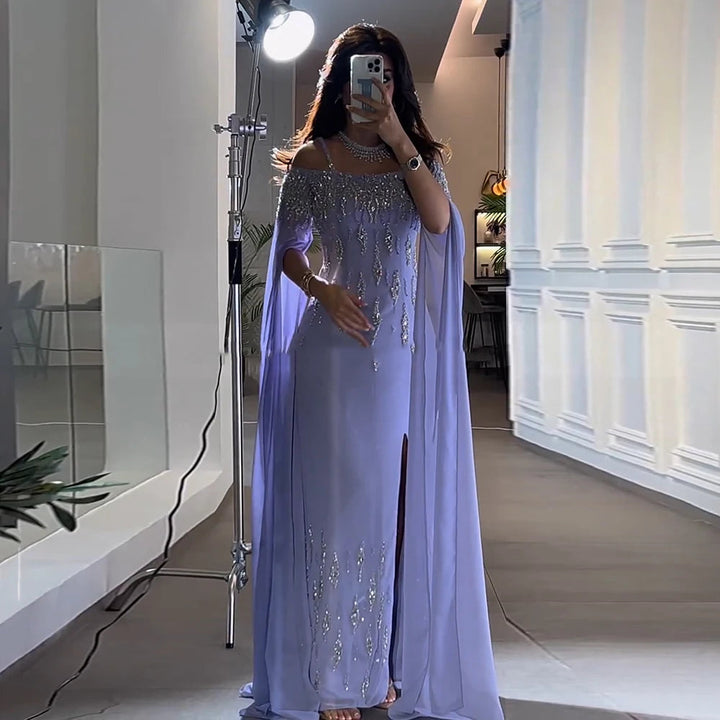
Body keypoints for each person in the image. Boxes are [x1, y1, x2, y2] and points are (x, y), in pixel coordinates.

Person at [241, 23, 504, 720]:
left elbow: (440, 225)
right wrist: (322, 290)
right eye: (366, 74)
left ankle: (375, 666)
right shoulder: (316, 159)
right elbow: (290, 249)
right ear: (340, 82)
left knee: (383, 509)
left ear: (398, 84)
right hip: (328, 357)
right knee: (332, 511)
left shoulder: (416, 158)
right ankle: (333, 678)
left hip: (394, 366)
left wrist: (395, 136)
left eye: (387, 75)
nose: (376, 85)